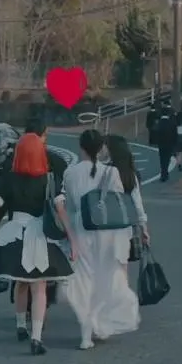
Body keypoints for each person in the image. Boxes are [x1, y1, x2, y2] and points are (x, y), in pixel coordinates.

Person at [0, 134, 77, 355]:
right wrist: (73, 240)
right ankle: (36, 338)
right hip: (40, 236)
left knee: (21, 282)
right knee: (39, 287)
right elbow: (61, 212)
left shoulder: (8, 180)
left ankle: (20, 326)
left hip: (14, 234)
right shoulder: (49, 180)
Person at [61, 131, 149, 351]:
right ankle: (101, 324)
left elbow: (70, 206)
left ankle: (86, 334)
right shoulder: (112, 172)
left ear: (81, 147)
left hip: (82, 228)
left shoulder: (70, 173)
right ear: (101, 149)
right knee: (107, 277)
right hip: (109, 232)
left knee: (85, 280)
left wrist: (69, 234)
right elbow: (117, 202)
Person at [0, 118, 68, 311]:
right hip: (47, 226)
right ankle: (41, 308)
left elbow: (1, 201)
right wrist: (68, 229)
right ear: (43, 136)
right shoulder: (56, 162)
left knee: (20, 269)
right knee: (44, 271)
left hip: (17, 224)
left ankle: (23, 311)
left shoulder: (12, 163)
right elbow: (64, 199)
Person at [154, 104, 178, 182]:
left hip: (161, 144)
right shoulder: (172, 123)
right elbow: (175, 134)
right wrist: (175, 144)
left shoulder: (159, 123)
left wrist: (156, 142)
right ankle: (165, 173)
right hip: (169, 144)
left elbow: (155, 133)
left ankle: (163, 173)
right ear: (168, 114)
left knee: (162, 159)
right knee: (167, 159)